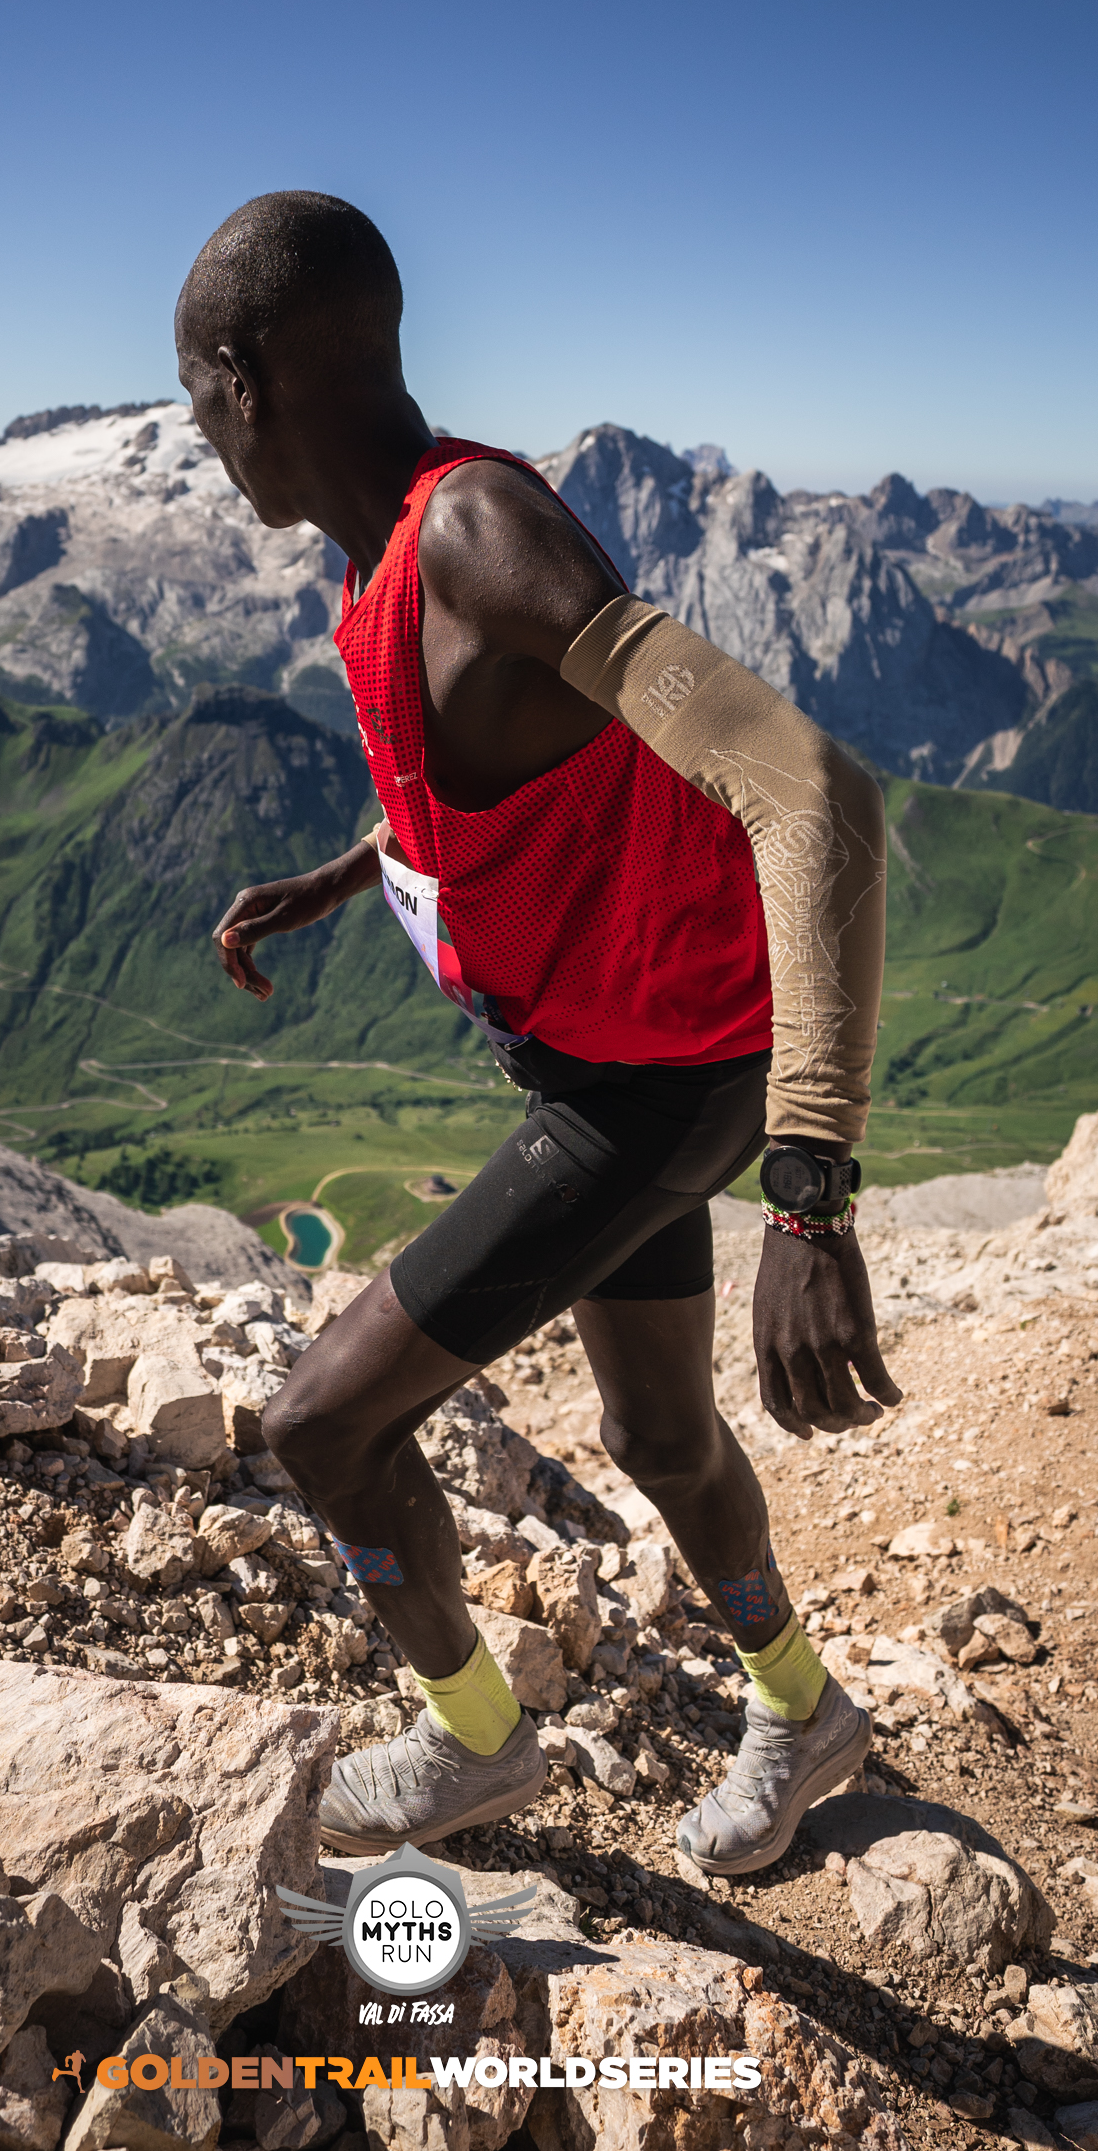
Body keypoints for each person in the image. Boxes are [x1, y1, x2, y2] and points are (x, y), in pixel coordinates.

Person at [176, 191, 899, 1878]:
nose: (205, 446)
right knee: (655, 1431)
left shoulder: (476, 533)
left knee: (320, 1426)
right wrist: (357, 868)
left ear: (246, 377)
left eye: (200, 404)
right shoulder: (382, 557)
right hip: (637, 1063)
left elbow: (813, 792)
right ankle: (804, 1708)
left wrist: (810, 1193)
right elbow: (514, 758)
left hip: (658, 1085)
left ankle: (475, 1745)